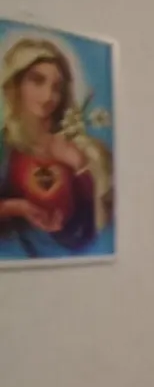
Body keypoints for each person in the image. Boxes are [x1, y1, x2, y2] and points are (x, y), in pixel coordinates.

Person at [0, 34, 113, 260]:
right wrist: (18, 208)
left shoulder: (79, 147)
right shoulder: (4, 146)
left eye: (56, 87)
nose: (48, 96)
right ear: (16, 84)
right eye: (37, 81)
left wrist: (80, 165)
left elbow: (95, 227)